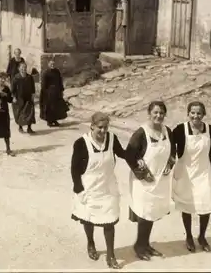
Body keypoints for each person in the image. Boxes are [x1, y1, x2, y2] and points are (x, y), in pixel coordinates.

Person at [70, 112, 127, 269]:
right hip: (89, 187)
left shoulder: (112, 139)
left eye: (106, 128)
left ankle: (110, 255)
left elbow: (123, 153)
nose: (103, 131)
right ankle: (90, 242)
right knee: (88, 219)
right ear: (92, 126)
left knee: (109, 222)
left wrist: (140, 156)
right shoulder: (81, 143)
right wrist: (79, 189)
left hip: (107, 187)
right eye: (99, 128)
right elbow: (74, 170)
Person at [125, 101, 177, 261]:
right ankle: (139, 246)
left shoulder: (167, 131)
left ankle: (145, 244)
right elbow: (129, 155)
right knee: (145, 212)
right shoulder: (141, 133)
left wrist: (170, 163)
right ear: (149, 113)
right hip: (144, 181)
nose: (158, 116)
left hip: (161, 179)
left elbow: (173, 151)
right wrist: (141, 171)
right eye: (155, 112)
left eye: (161, 113)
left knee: (153, 212)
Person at [172, 101, 211, 253]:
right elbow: (170, 148)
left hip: (204, 171)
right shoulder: (180, 129)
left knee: (205, 205)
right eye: (192, 112)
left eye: (199, 113)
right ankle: (189, 236)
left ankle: (202, 237)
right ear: (188, 113)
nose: (195, 116)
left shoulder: (210, 129)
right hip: (186, 172)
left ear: (203, 114)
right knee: (187, 205)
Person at [39, 60, 69, 127]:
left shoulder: (57, 72)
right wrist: (45, 93)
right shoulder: (45, 73)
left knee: (56, 107)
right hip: (49, 93)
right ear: (48, 64)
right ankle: (49, 121)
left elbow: (60, 81)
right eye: (51, 64)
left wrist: (61, 90)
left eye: (53, 64)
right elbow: (43, 84)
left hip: (56, 92)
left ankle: (55, 120)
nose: (52, 65)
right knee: (50, 108)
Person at [11, 63, 36, 134]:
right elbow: (13, 89)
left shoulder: (29, 77)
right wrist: (14, 97)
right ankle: (20, 127)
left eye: (25, 67)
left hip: (28, 97)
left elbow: (32, 87)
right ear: (19, 69)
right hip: (19, 98)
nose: (23, 69)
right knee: (20, 113)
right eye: (22, 68)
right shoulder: (16, 78)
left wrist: (33, 95)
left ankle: (29, 128)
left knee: (30, 112)